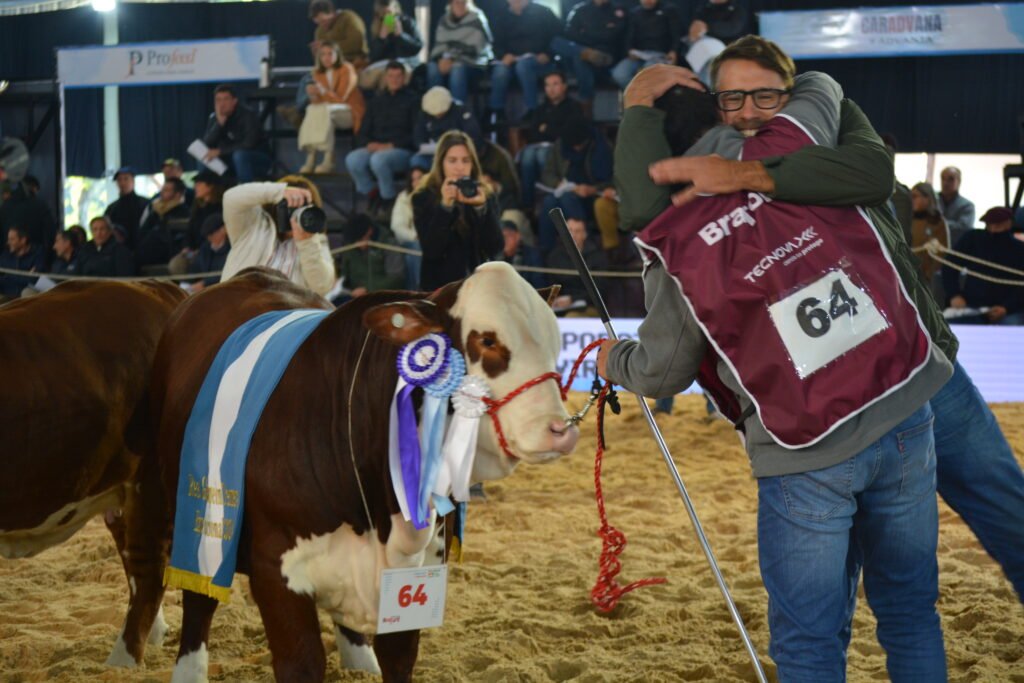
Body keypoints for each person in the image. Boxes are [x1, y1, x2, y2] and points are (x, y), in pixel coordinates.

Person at [621, 36, 1024, 606]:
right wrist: (641, 107)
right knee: (871, 579)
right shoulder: (713, 177)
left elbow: (873, 171)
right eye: (730, 99)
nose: (747, 112)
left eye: (765, 94)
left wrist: (747, 170)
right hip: (828, 405)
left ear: (794, 91)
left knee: (1002, 511)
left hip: (918, 364)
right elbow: (645, 208)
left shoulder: (830, 139)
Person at [412, 130, 503, 290]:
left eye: (466, 161)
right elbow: (432, 250)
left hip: (478, 289)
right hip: (439, 290)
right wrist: (445, 207)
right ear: (441, 163)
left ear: (473, 164)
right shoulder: (423, 196)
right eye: (452, 161)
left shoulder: (485, 194)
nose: (460, 167)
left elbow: (495, 247)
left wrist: (481, 209)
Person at [219, 175, 335, 296]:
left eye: (304, 206)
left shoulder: (316, 241)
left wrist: (307, 243)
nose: (296, 212)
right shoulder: (253, 224)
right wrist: (280, 191)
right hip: (241, 305)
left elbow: (322, 287)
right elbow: (230, 198)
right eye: (291, 206)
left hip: (288, 311)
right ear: (275, 205)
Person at [345, 62, 418, 206]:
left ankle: (388, 199)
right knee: (353, 159)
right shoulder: (375, 101)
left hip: (401, 149)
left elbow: (416, 134)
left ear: (404, 78)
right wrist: (369, 144)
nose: (394, 80)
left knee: (379, 160)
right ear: (385, 78)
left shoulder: (414, 101)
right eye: (391, 76)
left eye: (398, 76)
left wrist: (391, 145)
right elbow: (363, 131)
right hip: (376, 147)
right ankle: (373, 195)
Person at [536, 119, 613, 254]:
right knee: (549, 202)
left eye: (579, 145)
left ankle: (583, 244)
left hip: (591, 197)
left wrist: (593, 189)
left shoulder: (602, 148)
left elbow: (612, 179)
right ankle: (546, 250)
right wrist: (559, 184)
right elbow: (548, 173)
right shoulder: (561, 145)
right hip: (565, 190)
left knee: (567, 199)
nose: (576, 149)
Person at [942, 206, 1024, 325]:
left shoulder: (1019, 249)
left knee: (1011, 327)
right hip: (971, 305)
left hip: (1006, 309)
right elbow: (950, 266)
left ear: (1009, 223)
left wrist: (1006, 308)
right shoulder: (972, 238)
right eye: (990, 224)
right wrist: (954, 295)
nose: (993, 228)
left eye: (998, 224)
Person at [519, 70, 585, 207]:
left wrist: (547, 128)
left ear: (564, 86)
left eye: (555, 84)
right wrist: (554, 129)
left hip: (562, 148)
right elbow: (534, 133)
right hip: (538, 146)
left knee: (542, 154)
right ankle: (527, 205)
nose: (551, 89)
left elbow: (569, 133)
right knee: (527, 155)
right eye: (547, 85)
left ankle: (553, 198)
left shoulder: (573, 107)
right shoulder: (540, 109)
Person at [298, 41, 366, 174]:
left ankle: (329, 159)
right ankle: (311, 157)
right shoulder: (317, 73)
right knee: (311, 109)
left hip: (350, 111)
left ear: (337, 55)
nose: (326, 57)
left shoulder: (347, 69)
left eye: (330, 54)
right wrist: (312, 95)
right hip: (327, 113)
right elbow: (318, 103)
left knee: (324, 111)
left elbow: (341, 98)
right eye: (323, 54)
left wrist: (323, 92)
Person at [489, 0, 563, 118]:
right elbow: (495, 44)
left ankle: (532, 110)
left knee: (523, 66)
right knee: (500, 72)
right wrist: (503, 55)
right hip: (511, 60)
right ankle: (497, 111)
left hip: (539, 60)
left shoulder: (543, 12)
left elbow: (559, 37)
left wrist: (548, 54)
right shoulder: (501, 16)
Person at [551, 0, 625, 110]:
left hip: (605, 59)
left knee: (580, 59)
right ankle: (585, 52)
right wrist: (587, 47)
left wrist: (587, 36)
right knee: (556, 42)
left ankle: (585, 105)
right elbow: (571, 34)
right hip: (581, 51)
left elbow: (614, 36)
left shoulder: (618, 10)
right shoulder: (580, 9)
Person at [427, 0, 494, 103]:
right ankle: (435, 108)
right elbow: (440, 44)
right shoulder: (444, 20)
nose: (460, 6)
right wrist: (443, 58)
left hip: (473, 62)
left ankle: (458, 111)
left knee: (457, 70)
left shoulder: (477, 19)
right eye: (457, 3)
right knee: (432, 68)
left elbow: (476, 47)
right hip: (447, 59)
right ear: (451, 4)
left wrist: (453, 59)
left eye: (463, 3)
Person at [202, 84, 272, 183]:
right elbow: (207, 143)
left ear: (234, 101)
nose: (222, 104)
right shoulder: (214, 118)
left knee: (239, 155)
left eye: (225, 99)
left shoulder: (248, 116)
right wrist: (219, 124)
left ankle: (244, 193)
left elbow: (249, 144)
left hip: (257, 159)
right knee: (204, 155)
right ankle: (207, 193)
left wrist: (220, 151)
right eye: (218, 100)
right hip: (229, 159)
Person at [611, 0, 683, 90]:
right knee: (619, 74)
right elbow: (628, 36)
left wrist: (674, 51)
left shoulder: (669, 10)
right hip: (639, 55)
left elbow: (677, 34)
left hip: (661, 54)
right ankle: (637, 96)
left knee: (647, 73)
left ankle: (646, 99)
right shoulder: (635, 13)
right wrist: (629, 50)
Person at [545, 211, 607, 313]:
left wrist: (572, 299)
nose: (572, 235)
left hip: (588, 306)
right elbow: (551, 286)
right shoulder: (555, 256)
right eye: (569, 231)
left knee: (571, 317)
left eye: (577, 231)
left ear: (584, 235)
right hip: (559, 306)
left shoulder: (597, 257)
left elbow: (600, 290)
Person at [411, 86, 485, 170]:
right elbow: (418, 136)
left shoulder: (461, 111)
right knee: (417, 161)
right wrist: (423, 146)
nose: (437, 115)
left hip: (456, 153)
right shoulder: (424, 113)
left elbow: (474, 136)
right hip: (432, 153)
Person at [336, 213, 406, 301]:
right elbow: (344, 274)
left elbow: (396, 279)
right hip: (354, 297)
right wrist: (337, 282)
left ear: (370, 231)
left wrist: (368, 289)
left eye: (360, 239)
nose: (357, 245)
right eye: (355, 241)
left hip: (382, 298)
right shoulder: (351, 244)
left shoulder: (388, 243)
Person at [360, 0, 423, 89]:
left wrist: (401, 36)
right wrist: (381, 39)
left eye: (390, 12)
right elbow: (372, 55)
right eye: (384, 13)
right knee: (375, 75)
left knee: (391, 75)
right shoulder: (375, 26)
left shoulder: (407, 22)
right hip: (383, 63)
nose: (388, 16)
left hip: (405, 62)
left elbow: (417, 47)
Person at [136, 177, 191, 270]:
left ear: (178, 194)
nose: (162, 192)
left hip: (168, 253)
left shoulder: (183, 212)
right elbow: (143, 231)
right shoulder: (155, 210)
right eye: (163, 189)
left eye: (167, 190)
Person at [391, 161, 429, 289]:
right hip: (412, 241)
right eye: (413, 180)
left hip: (432, 240)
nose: (417, 182)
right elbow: (397, 226)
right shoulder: (404, 198)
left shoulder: (437, 196)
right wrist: (415, 236)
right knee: (415, 250)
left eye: (420, 178)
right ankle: (419, 289)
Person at [909, 181, 949, 293]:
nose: (911, 200)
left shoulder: (938, 222)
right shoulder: (906, 220)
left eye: (915, 196)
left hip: (926, 280)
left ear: (927, 198)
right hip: (907, 273)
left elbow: (941, 254)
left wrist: (928, 276)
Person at [309, 0, 369, 71]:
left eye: (324, 21)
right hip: (332, 68)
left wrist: (328, 47)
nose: (322, 25)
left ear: (333, 13)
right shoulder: (319, 31)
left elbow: (356, 44)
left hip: (356, 64)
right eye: (318, 22)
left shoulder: (348, 19)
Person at [104, 167, 148, 249]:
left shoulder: (145, 204)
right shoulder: (111, 208)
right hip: (118, 251)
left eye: (126, 179)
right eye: (119, 180)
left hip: (143, 249)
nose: (122, 183)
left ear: (133, 181)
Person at [186, 212, 231, 292]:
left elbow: (225, 272)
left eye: (212, 234)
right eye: (208, 236)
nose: (210, 238)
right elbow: (196, 267)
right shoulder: (205, 248)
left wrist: (205, 283)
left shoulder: (231, 248)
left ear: (223, 230)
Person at [0, 225, 46, 300]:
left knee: (27, 292)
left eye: (12, 239)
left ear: (23, 240)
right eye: (8, 239)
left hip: (26, 295)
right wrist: (25, 276)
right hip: (8, 295)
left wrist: (7, 276)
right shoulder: (6, 255)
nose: (8, 242)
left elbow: (33, 280)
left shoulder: (37, 254)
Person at [499, 217, 544, 286]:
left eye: (508, 235)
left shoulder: (532, 255)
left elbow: (539, 283)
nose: (505, 240)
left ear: (518, 236)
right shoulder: (493, 257)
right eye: (501, 237)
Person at [937, 166, 976, 243]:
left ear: (959, 182)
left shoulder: (967, 206)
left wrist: (937, 224)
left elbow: (963, 229)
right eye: (943, 179)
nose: (945, 183)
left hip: (956, 250)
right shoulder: (932, 201)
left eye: (950, 179)